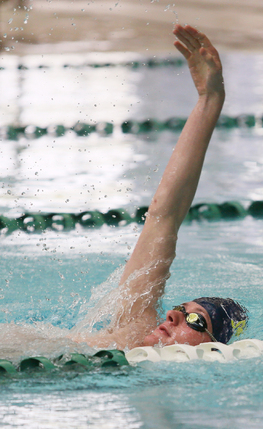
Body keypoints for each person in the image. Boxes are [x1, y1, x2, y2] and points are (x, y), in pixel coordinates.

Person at [76, 24, 247, 351]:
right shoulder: (131, 330)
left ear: (214, 346)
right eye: (181, 310)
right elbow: (162, 215)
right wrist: (209, 100)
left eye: (196, 321)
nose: (171, 316)